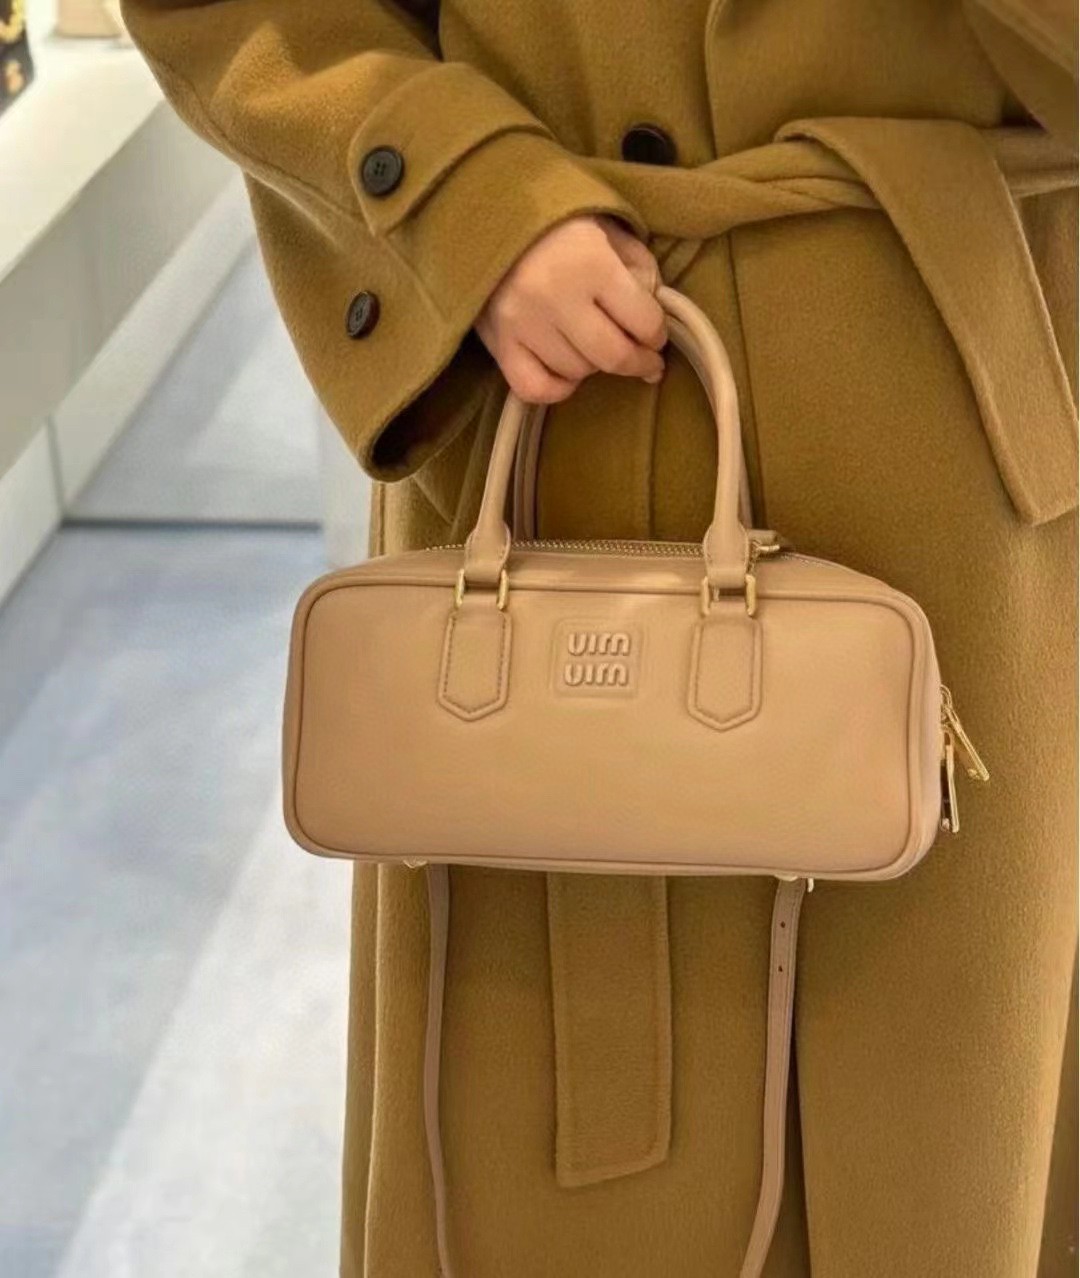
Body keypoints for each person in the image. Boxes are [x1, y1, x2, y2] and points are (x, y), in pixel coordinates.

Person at [121, 2, 1078, 1274]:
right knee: (534, 1158)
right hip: (551, 432)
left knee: (943, 1142)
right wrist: (455, 192)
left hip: (957, 465)